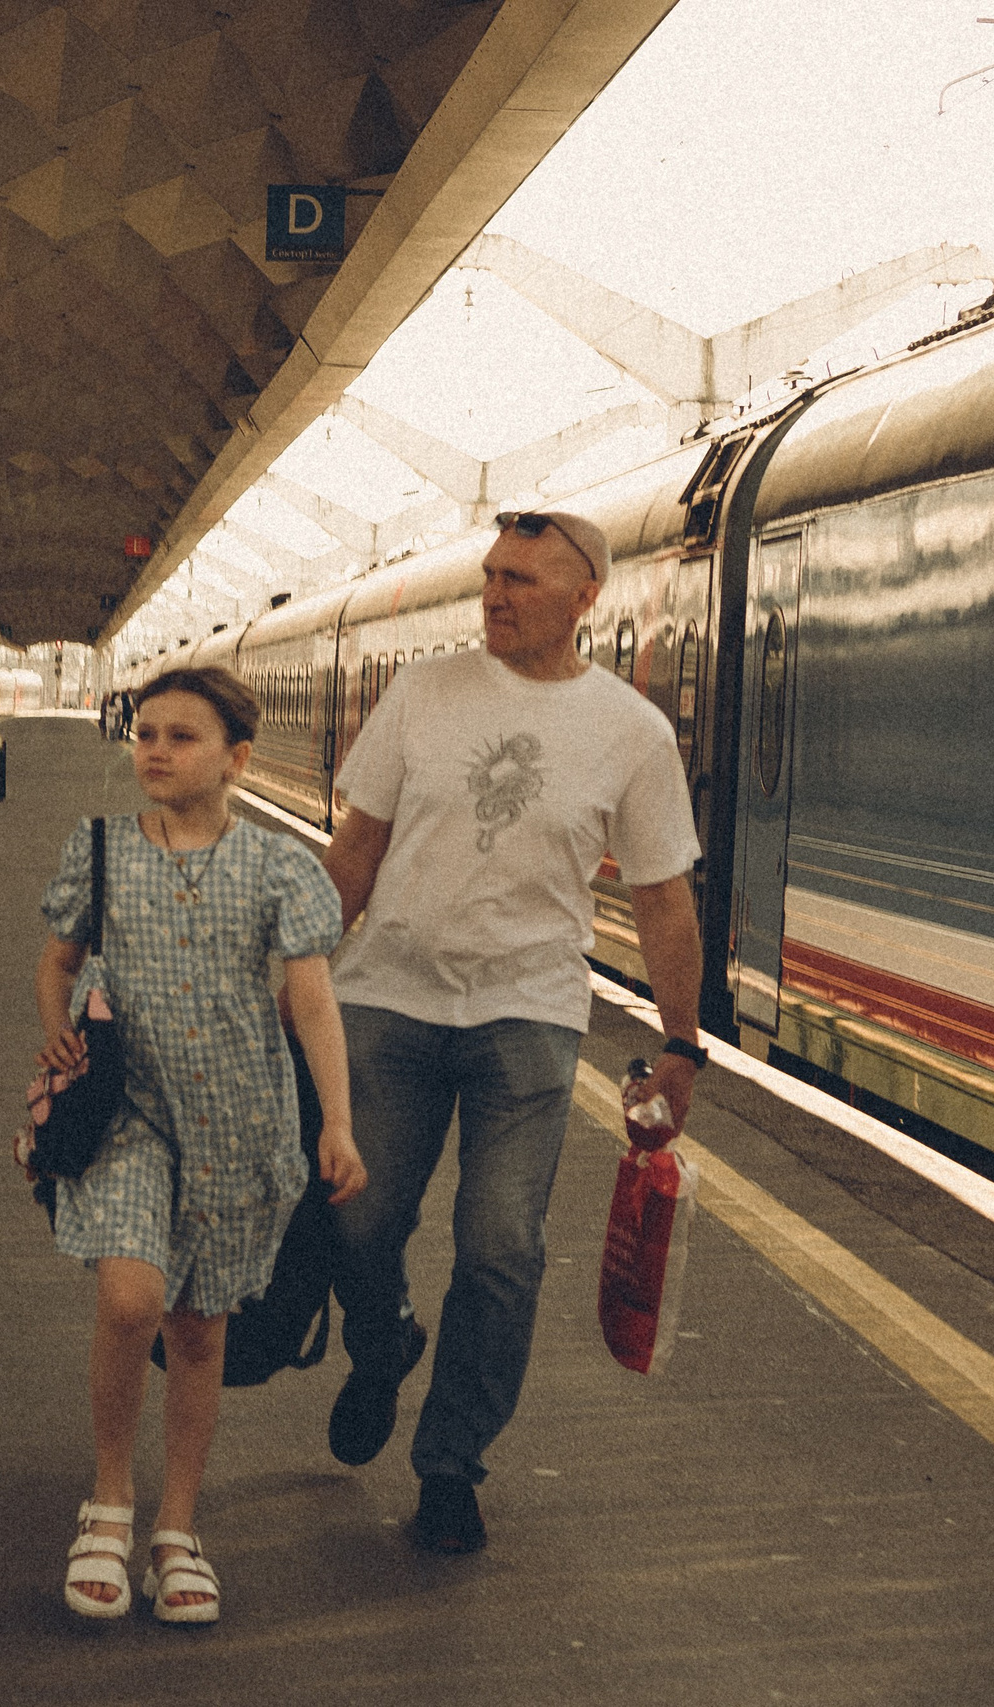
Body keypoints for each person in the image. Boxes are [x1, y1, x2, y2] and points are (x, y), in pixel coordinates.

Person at [317, 509, 705, 1555]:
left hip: (527, 1013)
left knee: (500, 1250)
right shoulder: (422, 694)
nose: (494, 594)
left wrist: (681, 1043)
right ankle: (383, 1336)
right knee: (357, 1224)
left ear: (585, 599)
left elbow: (664, 899)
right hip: (386, 994)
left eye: (522, 580)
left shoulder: (631, 732)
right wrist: (289, 976)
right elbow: (357, 849)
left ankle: (450, 1466)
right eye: (490, 576)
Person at [33, 667, 363, 1624]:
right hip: (128, 1111)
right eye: (145, 733)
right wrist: (55, 1029)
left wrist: (335, 1119)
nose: (155, 750)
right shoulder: (95, 849)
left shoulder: (279, 867)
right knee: (130, 1297)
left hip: (239, 1118)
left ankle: (178, 1525)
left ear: (237, 759)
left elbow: (310, 997)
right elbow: (55, 963)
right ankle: (110, 1502)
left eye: (181, 736)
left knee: (198, 1329)